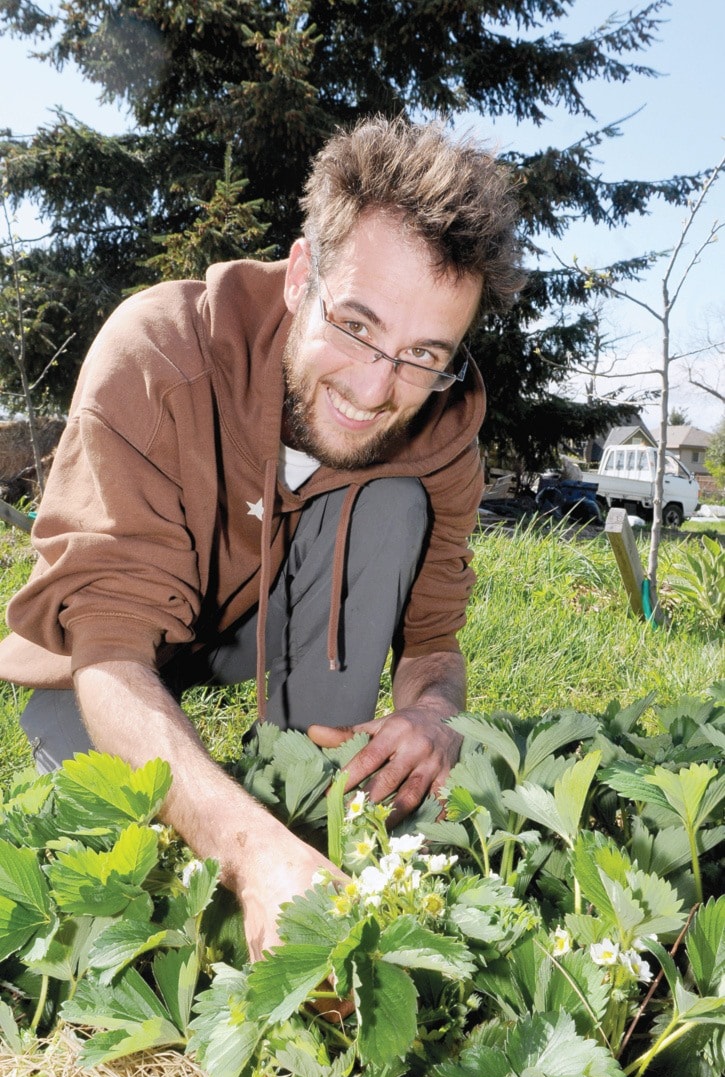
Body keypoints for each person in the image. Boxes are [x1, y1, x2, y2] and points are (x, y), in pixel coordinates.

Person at [0, 116, 524, 961]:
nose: (375, 387)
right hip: (112, 649)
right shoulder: (158, 354)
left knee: (389, 504)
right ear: (300, 276)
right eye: (356, 325)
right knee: (128, 843)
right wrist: (249, 854)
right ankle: (264, 837)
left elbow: (434, 645)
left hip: (263, 626)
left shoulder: (442, 421)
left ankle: (311, 779)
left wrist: (432, 714)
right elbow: (108, 646)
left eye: (424, 352)